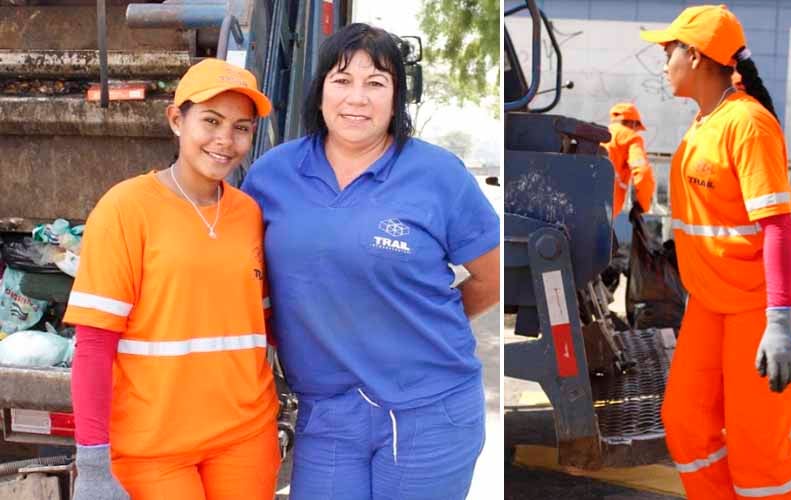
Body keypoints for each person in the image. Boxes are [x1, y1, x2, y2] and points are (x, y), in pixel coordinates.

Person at [242, 23, 500, 500]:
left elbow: (491, 277)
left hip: (429, 411)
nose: (357, 98)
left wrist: (418, 323)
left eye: (376, 83)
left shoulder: (437, 175)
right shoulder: (272, 175)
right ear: (319, 90)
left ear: (397, 97)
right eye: (342, 80)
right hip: (328, 413)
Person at [64, 59, 280, 500]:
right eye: (211, 121)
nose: (225, 140)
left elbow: (269, 324)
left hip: (245, 438)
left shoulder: (249, 214)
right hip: (153, 448)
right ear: (177, 120)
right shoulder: (126, 209)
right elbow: (94, 347)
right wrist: (92, 464)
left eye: (241, 127)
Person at [640, 5, 791, 499]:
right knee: (685, 422)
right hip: (715, 300)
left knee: (756, 447)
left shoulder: (747, 124)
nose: (662, 59)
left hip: (764, 303)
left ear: (695, 56)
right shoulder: (707, 121)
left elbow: (778, 227)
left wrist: (781, 320)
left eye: (668, 49)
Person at [601, 102, 656, 217]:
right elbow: (642, 171)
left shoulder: (601, 134)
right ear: (633, 123)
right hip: (606, 208)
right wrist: (643, 205)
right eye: (637, 127)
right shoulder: (631, 138)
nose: (636, 131)